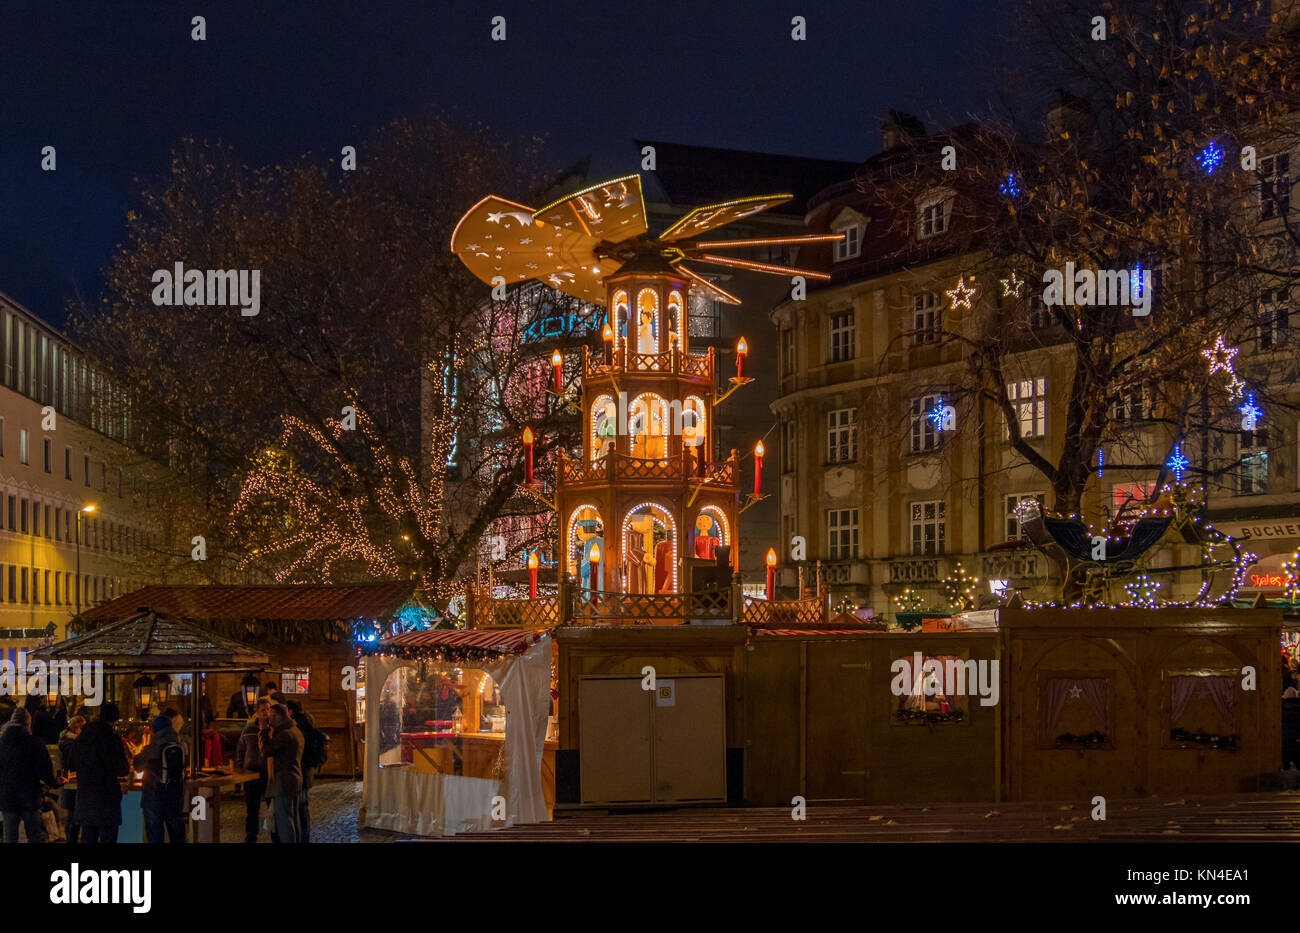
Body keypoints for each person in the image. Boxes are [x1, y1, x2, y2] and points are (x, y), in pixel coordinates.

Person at [73, 702, 129, 843]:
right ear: (114, 719)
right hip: (107, 796)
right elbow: (122, 768)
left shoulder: (82, 738)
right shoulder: (112, 739)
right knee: (108, 836)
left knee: (88, 835)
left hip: (86, 796)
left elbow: (71, 763)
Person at [0, 708, 56, 842]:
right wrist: (52, 782)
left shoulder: (2, 743)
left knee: (10, 837)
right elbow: (45, 770)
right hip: (30, 797)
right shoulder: (35, 744)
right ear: (28, 724)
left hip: (7, 797)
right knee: (34, 835)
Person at [134, 714, 188, 843]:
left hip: (154, 797)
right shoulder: (182, 744)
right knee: (177, 835)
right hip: (175, 796)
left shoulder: (153, 748)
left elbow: (138, 765)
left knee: (155, 836)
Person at [259, 703, 303, 843]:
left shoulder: (285, 734)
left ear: (278, 716)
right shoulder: (295, 731)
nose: (269, 720)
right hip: (294, 779)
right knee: (293, 819)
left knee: (285, 822)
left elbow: (266, 751)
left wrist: (263, 730)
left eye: (271, 716)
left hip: (284, 782)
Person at [285, 699, 322, 843]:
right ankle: (304, 836)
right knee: (303, 805)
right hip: (307, 770)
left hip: (299, 770)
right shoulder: (307, 722)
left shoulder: (296, 727)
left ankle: (301, 837)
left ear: (291, 711)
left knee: (299, 806)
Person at [235, 699, 271, 843]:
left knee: (272, 807)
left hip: (268, 773)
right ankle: (251, 835)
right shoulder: (249, 729)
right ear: (257, 712)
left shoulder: (272, 729)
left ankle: (274, 834)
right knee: (252, 809)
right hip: (251, 774)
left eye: (268, 709)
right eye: (263, 710)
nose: (266, 713)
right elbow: (241, 749)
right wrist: (240, 766)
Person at [57, 716, 86, 844]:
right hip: (73, 783)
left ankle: (71, 839)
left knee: (72, 815)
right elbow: (73, 762)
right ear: (78, 729)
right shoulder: (72, 743)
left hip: (71, 784)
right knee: (74, 816)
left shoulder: (66, 741)